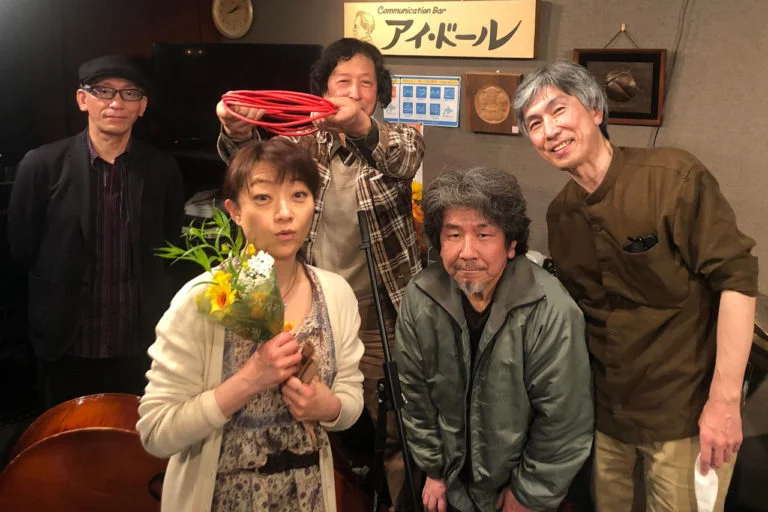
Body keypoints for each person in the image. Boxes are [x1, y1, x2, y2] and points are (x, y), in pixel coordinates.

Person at [512, 61, 759, 512]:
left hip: (684, 414)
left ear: (595, 110)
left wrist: (724, 403)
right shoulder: (561, 213)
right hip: (608, 418)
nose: (549, 130)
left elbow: (737, 281)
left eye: (558, 110)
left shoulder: (672, 177)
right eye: (534, 123)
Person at [216, 37, 425, 507]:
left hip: (377, 315)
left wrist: (361, 127)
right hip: (309, 310)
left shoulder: (400, 138)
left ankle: (389, 500)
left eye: (366, 83)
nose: (354, 91)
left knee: (387, 426)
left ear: (380, 92)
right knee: (305, 415)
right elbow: (254, 169)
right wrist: (237, 131)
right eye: (342, 81)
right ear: (323, 89)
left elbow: (404, 158)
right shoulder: (301, 142)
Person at [137, 138, 365, 511]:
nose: (284, 213)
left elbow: (351, 397)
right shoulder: (206, 299)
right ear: (234, 211)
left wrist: (329, 408)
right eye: (263, 198)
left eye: (298, 195)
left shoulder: (336, 294)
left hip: (307, 497)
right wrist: (250, 379)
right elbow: (156, 432)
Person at [394, 167, 594, 512]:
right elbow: (415, 395)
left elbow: (563, 420)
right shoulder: (421, 296)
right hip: (450, 481)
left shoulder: (550, 309)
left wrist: (528, 495)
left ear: (511, 244)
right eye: (453, 235)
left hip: (515, 486)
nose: (466, 251)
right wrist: (433, 470)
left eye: (483, 235)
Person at [7, 54, 184, 407]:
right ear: (82, 99)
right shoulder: (42, 164)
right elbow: (22, 248)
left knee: (135, 435)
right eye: (103, 91)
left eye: (130, 93)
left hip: (140, 343)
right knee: (66, 436)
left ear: (142, 106)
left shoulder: (162, 169)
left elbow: (170, 243)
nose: (116, 103)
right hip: (67, 342)